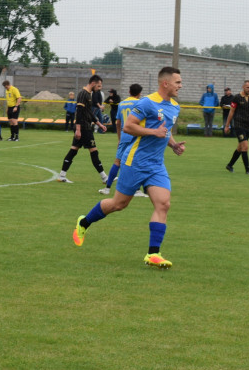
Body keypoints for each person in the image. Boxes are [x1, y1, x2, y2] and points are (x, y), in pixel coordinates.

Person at [72, 67, 186, 269]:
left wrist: (173, 144)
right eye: (177, 82)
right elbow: (128, 126)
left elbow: (164, 131)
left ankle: (153, 254)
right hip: (135, 162)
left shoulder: (174, 107)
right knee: (118, 204)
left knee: (163, 204)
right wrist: (153, 132)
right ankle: (84, 222)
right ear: (165, 83)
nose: (181, 85)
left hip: (156, 165)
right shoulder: (147, 102)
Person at [56, 74, 109, 184]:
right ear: (93, 83)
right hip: (84, 128)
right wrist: (78, 129)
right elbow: (79, 112)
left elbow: (89, 112)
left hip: (85, 126)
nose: (100, 88)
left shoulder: (89, 94)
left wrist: (99, 124)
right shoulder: (83, 94)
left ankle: (62, 175)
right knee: (94, 151)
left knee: (73, 150)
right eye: (99, 86)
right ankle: (105, 177)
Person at [99, 83, 147, 198]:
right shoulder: (140, 103)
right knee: (136, 162)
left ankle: (107, 188)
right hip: (135, 135)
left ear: (129, 92)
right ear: (139, 93)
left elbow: (118, 123)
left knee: (117, 162)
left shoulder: (122, 103)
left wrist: (119, 138)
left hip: (124, 136)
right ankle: (137, 190)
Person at [224, 79, 249, 175]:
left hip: (247, 125)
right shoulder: (237, 98)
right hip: (238, 125)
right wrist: (227, 125)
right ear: (243, 87)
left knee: (240, 147)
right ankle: (248, 170)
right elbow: (231, 112)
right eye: (248, 87)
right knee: (245, 147)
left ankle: (230, 165)